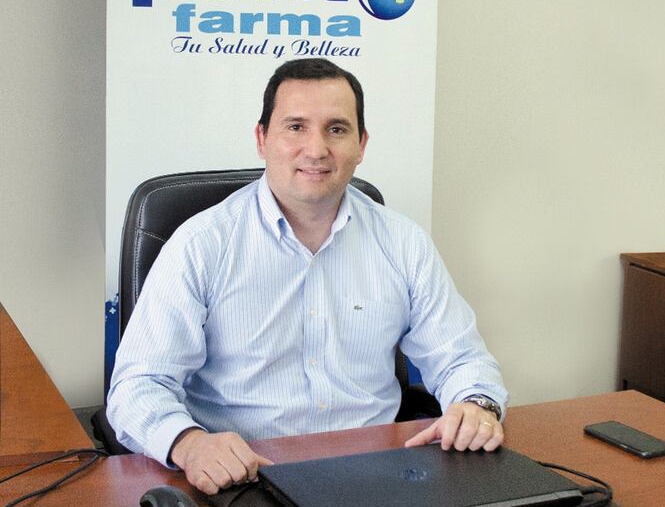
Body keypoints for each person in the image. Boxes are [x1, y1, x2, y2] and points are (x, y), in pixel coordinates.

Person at [107, 59, 508, 496]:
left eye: (336, 129)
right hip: (244, 479)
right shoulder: (202, 244)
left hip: (375, 475)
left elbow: (461, 359)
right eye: (296, 127)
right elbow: (138, 387)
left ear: (361, 144)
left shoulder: (403, 242)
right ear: (261, 139)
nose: (316, 149)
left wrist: (476, 405)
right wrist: (189, 444)